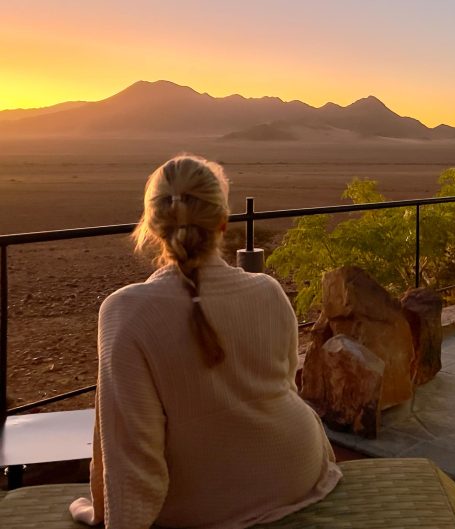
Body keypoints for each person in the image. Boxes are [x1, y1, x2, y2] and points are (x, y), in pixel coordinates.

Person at [69, 155, 342, 528]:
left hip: (207, 500)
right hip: (296, 468)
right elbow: (284, 387)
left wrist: (113, 516)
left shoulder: (126, 312)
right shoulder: (269, 291)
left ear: (152, 226)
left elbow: (131, 444)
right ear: (222, 223)